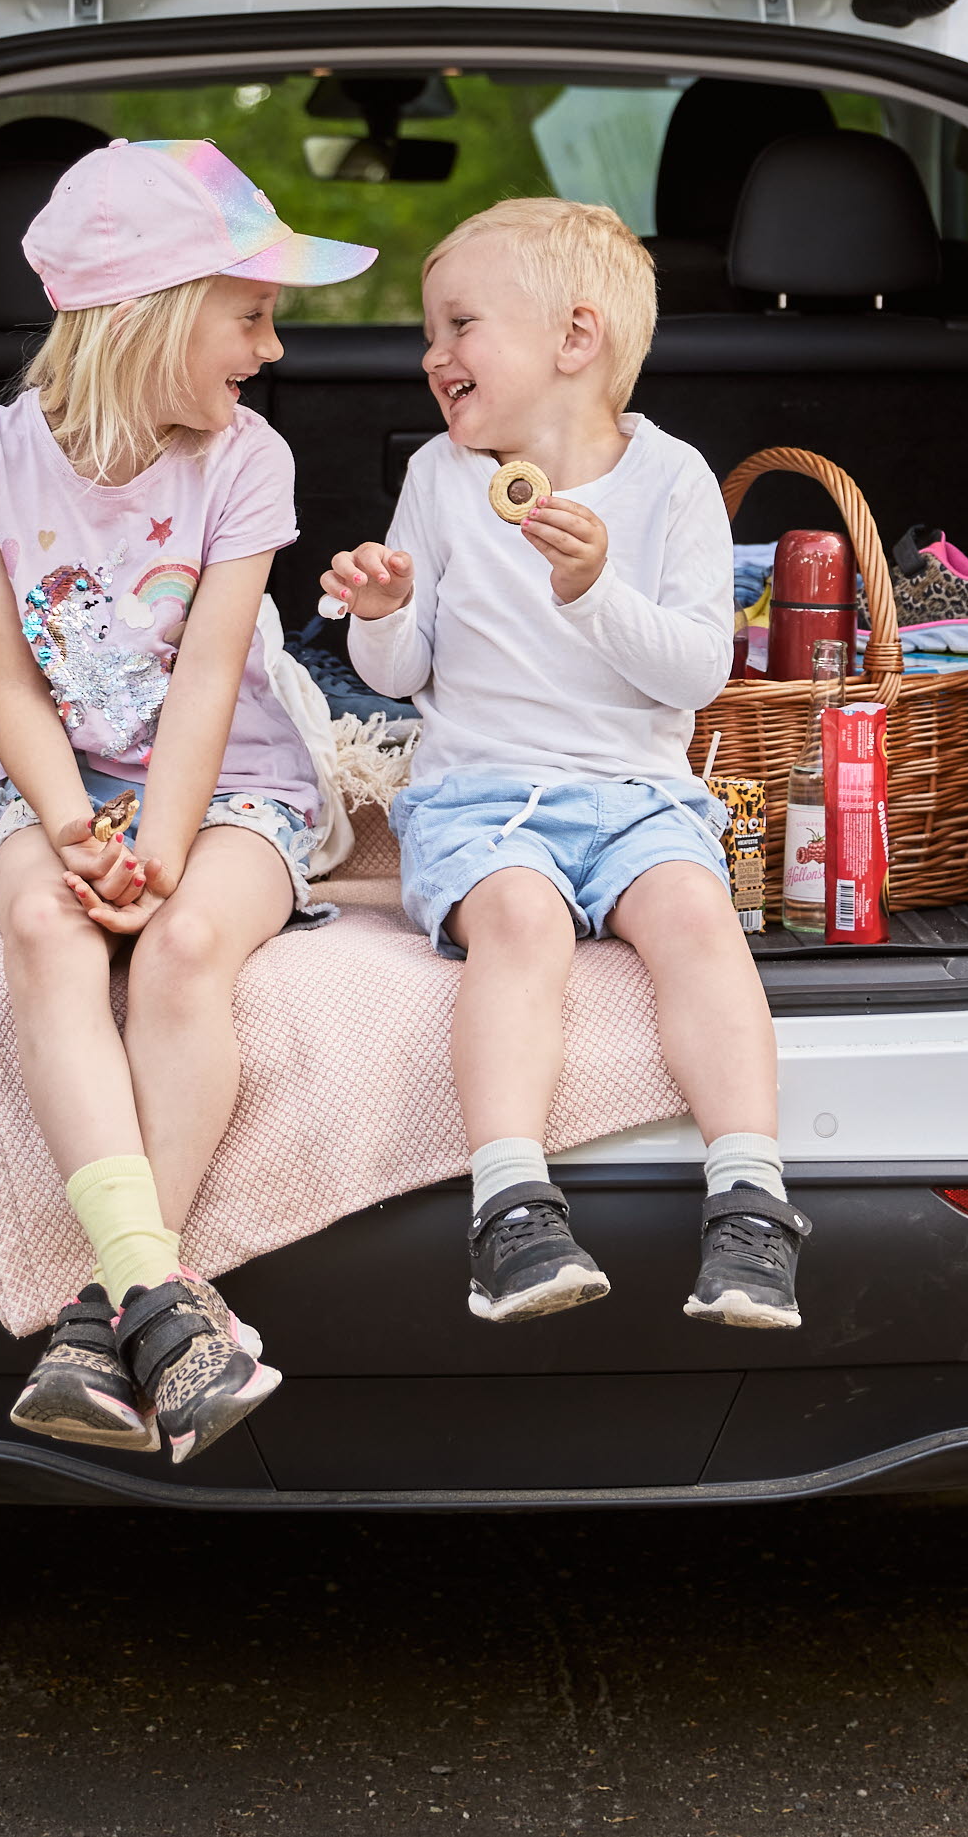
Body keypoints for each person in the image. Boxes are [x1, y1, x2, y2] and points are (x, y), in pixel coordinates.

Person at [0, 138, 375, 1462]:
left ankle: (98, 1316)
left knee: (179, 950)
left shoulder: (246, 460)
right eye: (252, 313)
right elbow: (6, 688)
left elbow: (213, 680)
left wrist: (161, 851)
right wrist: (69, 831)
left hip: (231, 782)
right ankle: (161, 1301)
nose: (272, 347)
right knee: (47, 935)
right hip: (63, 782)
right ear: (152, 311)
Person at [322, 198, 807, 1329]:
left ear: (572, 340)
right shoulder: (444, 478)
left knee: (697, 917)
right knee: (523, 924)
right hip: (482, 794)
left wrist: (597, 592)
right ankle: (509, 1207)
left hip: (638, 794)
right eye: (428, 336)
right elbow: (399, 675)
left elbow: (692, 671)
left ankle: (749, 1200)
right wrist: (382, 613)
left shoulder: (671, 480)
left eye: (457, 325)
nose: (432, 356)